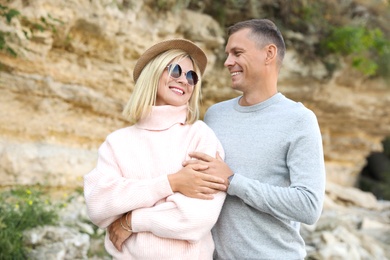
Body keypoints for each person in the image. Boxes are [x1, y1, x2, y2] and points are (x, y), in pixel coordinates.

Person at [183, 19, 326, 260]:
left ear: (269, 54)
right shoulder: (216, 115)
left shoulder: (300, 120)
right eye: (227, 54)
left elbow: (309, 206)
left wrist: (233, 181)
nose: (228, 62)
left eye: (237, 53)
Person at [83, 38, 227, 259]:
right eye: (176, 70)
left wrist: (130, 220)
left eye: (192, 76)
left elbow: (196, 218)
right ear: (154, 72)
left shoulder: (199, 135)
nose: (185, 80)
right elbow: (99, 204)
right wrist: (171, 183)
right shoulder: (117, 142)